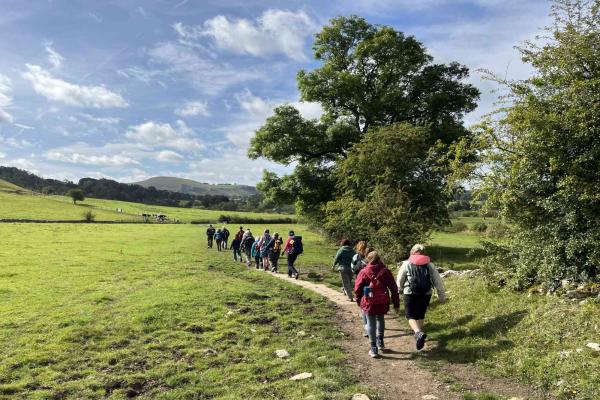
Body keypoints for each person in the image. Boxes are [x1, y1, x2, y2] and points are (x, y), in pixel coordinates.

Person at [396, 244, 447, 351]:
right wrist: (442, 296)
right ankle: (419, 336)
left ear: (412, 252)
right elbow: (438, 281)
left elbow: (400, 279)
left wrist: (398, 290)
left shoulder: (406, 264)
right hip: (425, 293)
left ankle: (418, 333)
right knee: (420, 315)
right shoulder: (430, 265)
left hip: (409, 292)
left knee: (410, 316)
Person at [354, 251, 400, 358]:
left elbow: (357, 288)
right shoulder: (386, 271)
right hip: (383, 300)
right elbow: (394, 288)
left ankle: (373, 348)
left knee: (370, 323)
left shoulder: (364, 271)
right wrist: (396, 303)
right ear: (380, 259)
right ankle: (381, 342)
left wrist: (358, 300)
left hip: (369, 301)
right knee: (380, 318)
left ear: (368, 259)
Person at [351, 241, 370, 336]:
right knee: (370, 301)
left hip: (360, 281)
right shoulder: (371, 257)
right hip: (371, 284)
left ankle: (367, 327)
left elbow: (353, 268)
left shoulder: (356, 257)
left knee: (363, 304)